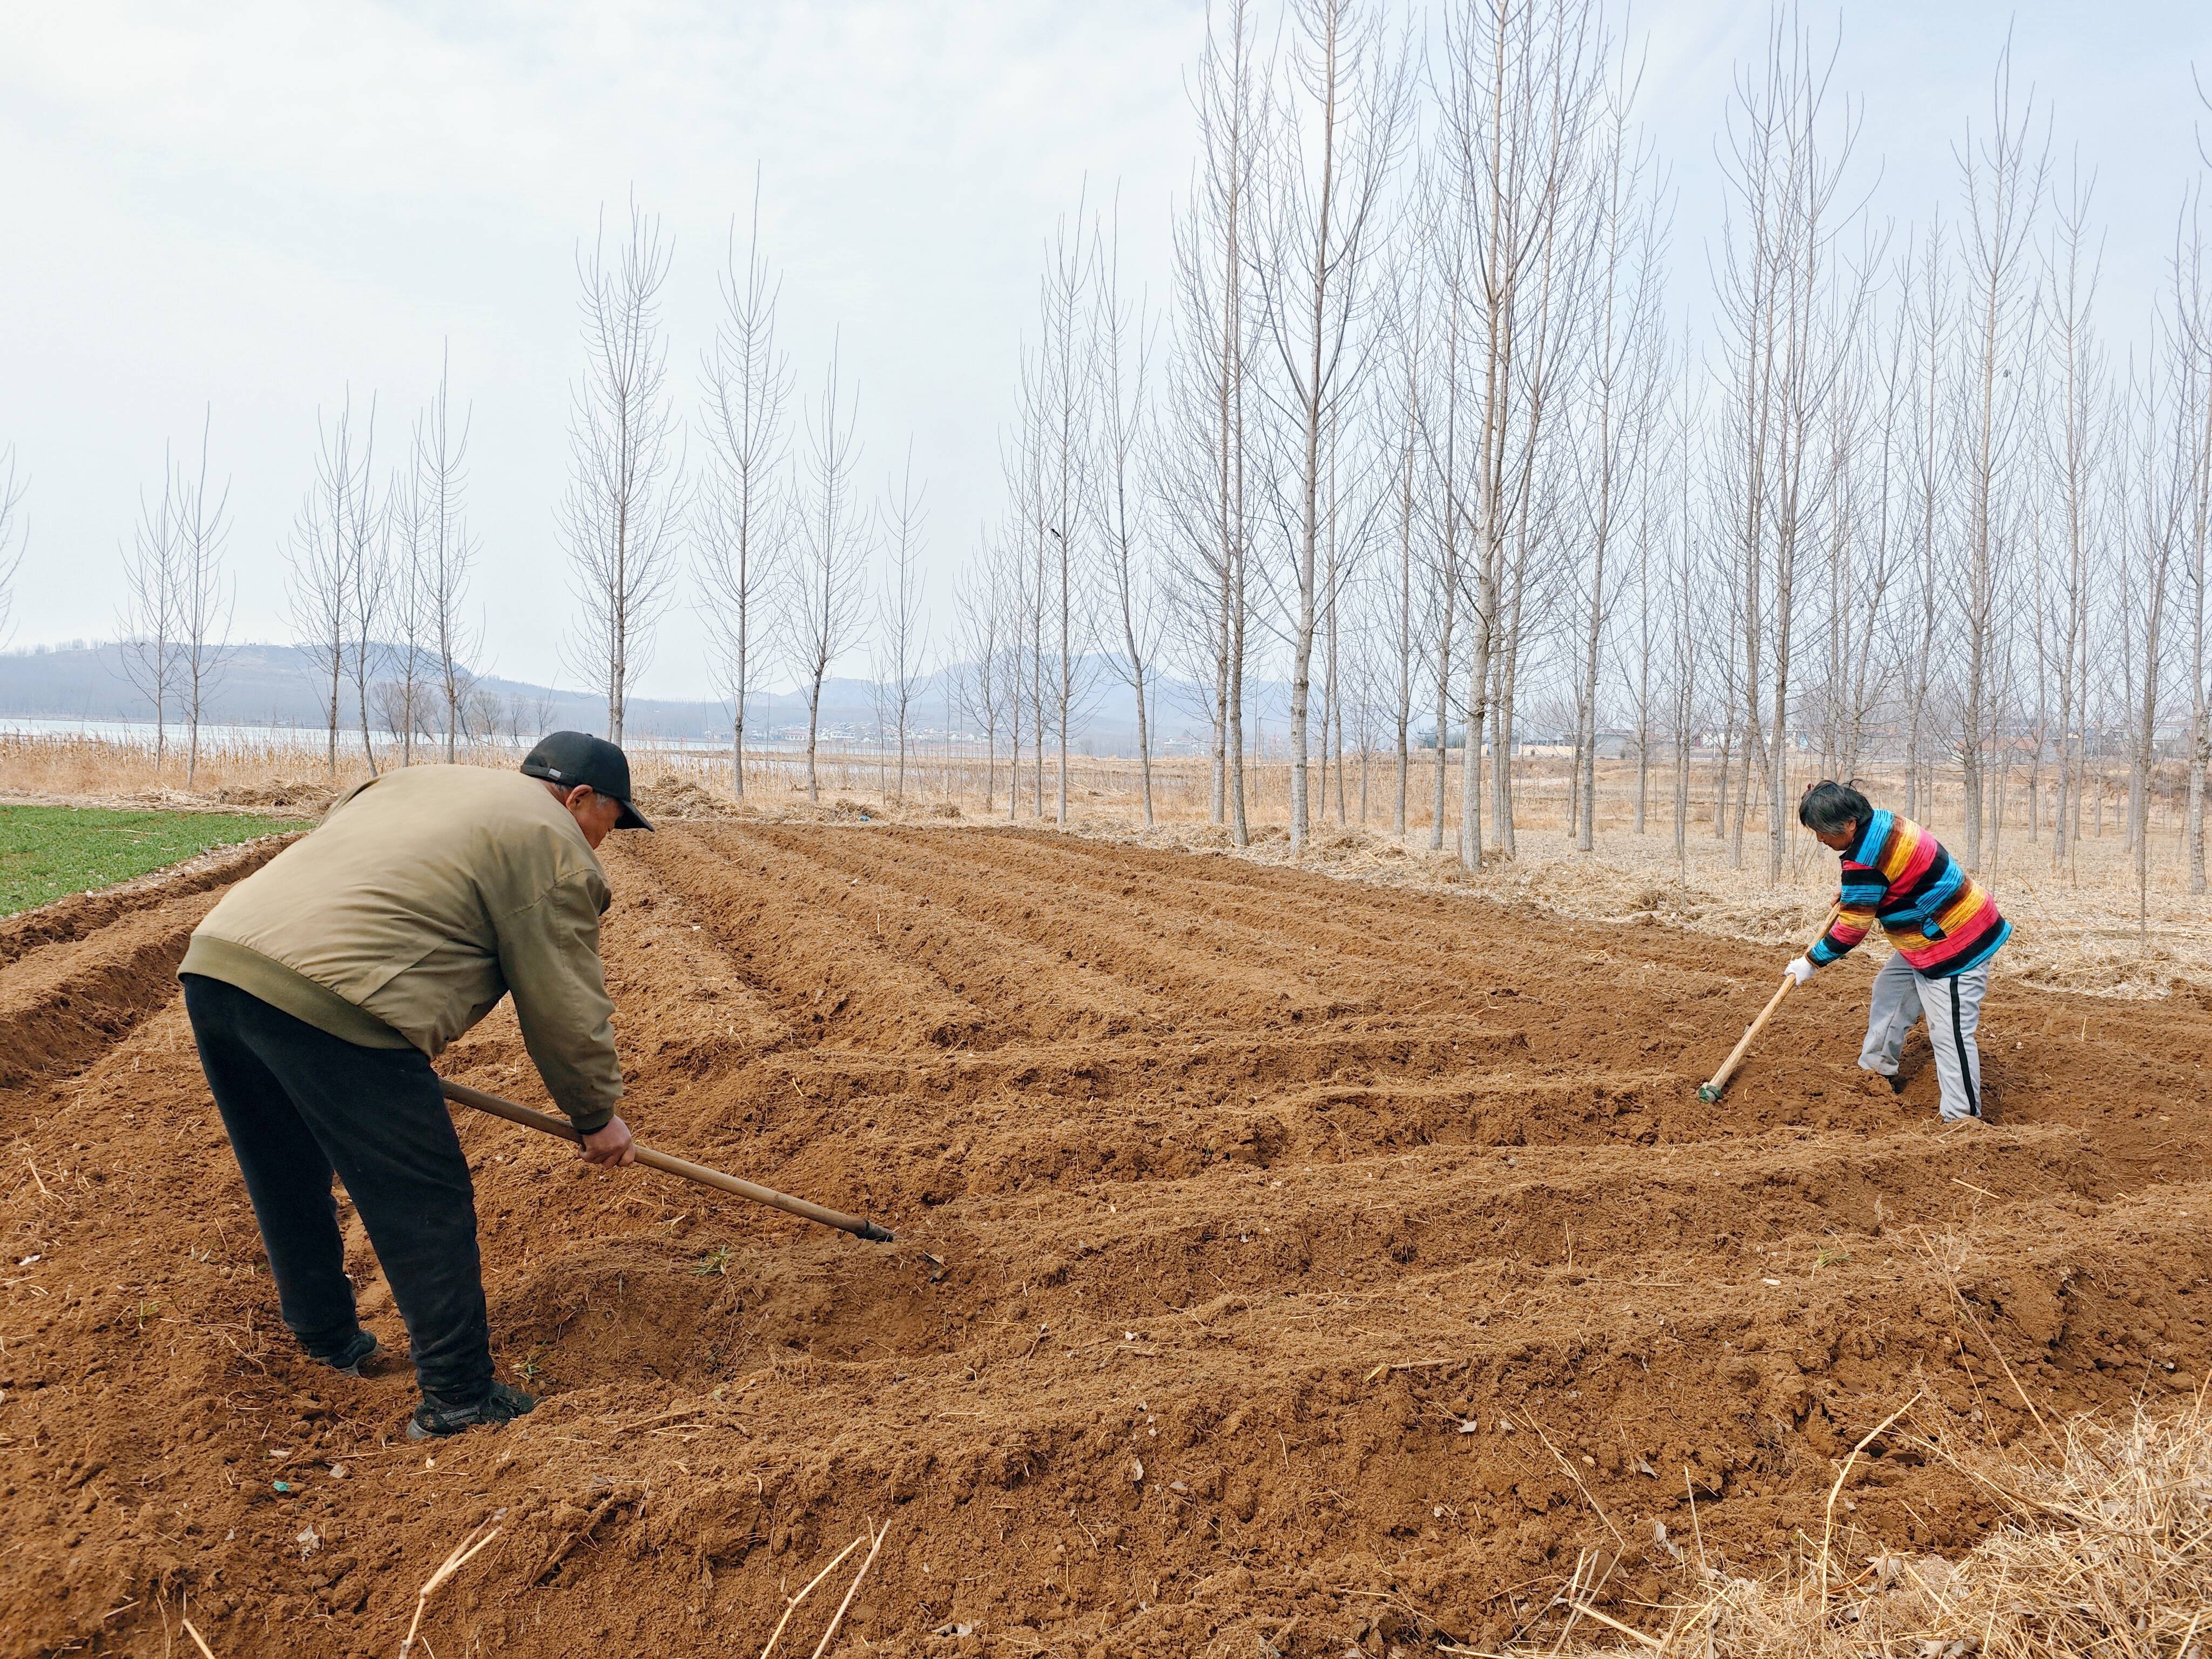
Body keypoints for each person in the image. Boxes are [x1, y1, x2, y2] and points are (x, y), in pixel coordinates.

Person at [176, 732, 652, 1438]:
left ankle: (325, 1339)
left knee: (285, 1171)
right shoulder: (550, 839)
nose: (601, 844)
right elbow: (563, 1004)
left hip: (220, 965)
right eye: (608, 825)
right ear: (579, 798)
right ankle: (460, 1395)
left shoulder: (419, 781)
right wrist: (594, 1113)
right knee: (424, 1197)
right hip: (340, 1003)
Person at [1786, 780, 2011, 1125]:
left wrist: (1811, 962)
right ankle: (1875, 1070)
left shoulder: (1865, 859)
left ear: (1849, 824)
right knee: (1890, 990)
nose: (1820, 839)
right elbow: (1892, 876)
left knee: (1949, 1032)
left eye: (1823, 832)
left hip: (1955, 940)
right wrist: (1855, 892)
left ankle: (1963, 1121)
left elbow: (1852, 930)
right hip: (1925, 934)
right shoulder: (1882, 821)